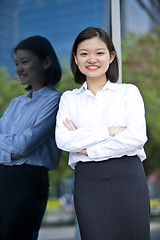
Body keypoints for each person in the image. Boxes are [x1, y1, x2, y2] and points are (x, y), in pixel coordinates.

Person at [55, 27, 150, 240]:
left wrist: (87, 149)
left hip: (128, 177)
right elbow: (63, 139)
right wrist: (110, 131)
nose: (92, 59)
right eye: (84, 53)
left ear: (111, 56)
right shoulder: (69, 99)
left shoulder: (128, 92)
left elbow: (136, 138)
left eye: (99, 52)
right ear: (75, 58)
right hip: (89, 181)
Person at [0, 35, 62, 240]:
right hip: (3, 177)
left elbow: (25, 145)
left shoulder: (55, 101)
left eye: (25, 62)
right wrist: (14, 150)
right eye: (17, 63)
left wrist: (12, 147)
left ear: (46, 62)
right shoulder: (15, 103)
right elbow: (19, 147)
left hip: (28, 182)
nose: (19, 69)